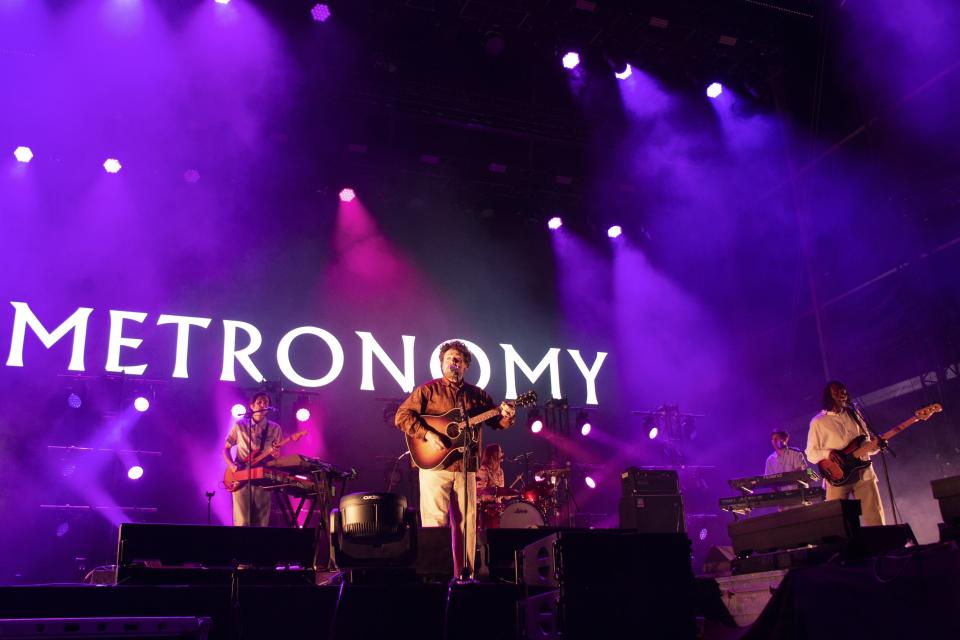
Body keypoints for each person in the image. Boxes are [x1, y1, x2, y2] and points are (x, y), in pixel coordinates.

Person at [394, 340, 516, 578]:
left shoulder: (477, 396)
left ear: (465, 366)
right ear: (442, 363)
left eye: (458, 359)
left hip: (466, 467)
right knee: (434, 522)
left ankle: (465, 576)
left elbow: (497, 422)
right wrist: (427, 433)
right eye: (449, 358)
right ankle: (435, 575)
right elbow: (402, 416)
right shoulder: (427, 391)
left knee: (467, 524)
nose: (453, 362)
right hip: (434, 466)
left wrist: (507, 416)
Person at [805, 381, 886, 526]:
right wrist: (828, 453)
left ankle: (883, 547)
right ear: (828, 396)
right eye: (836, 392)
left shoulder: (854, 414)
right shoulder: (818, 422)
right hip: (837, 476)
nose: (841, 395)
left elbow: (865, 443)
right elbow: (811, 454)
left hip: (863, 473)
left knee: (875, 518)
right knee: (838, 521)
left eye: (843, 392)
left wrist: (877, 445)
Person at [223, 392, 283, 527]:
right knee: (242, 521)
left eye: (266, 402)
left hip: (262, 477)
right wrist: (232, 466)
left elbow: (277, 456)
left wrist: (275, 454)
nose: (263, 405)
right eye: (260, 402)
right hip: (241, 477)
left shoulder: (275, 428)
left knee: (261, 522)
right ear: (251, 406)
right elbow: (225, 449)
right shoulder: (240, 425)